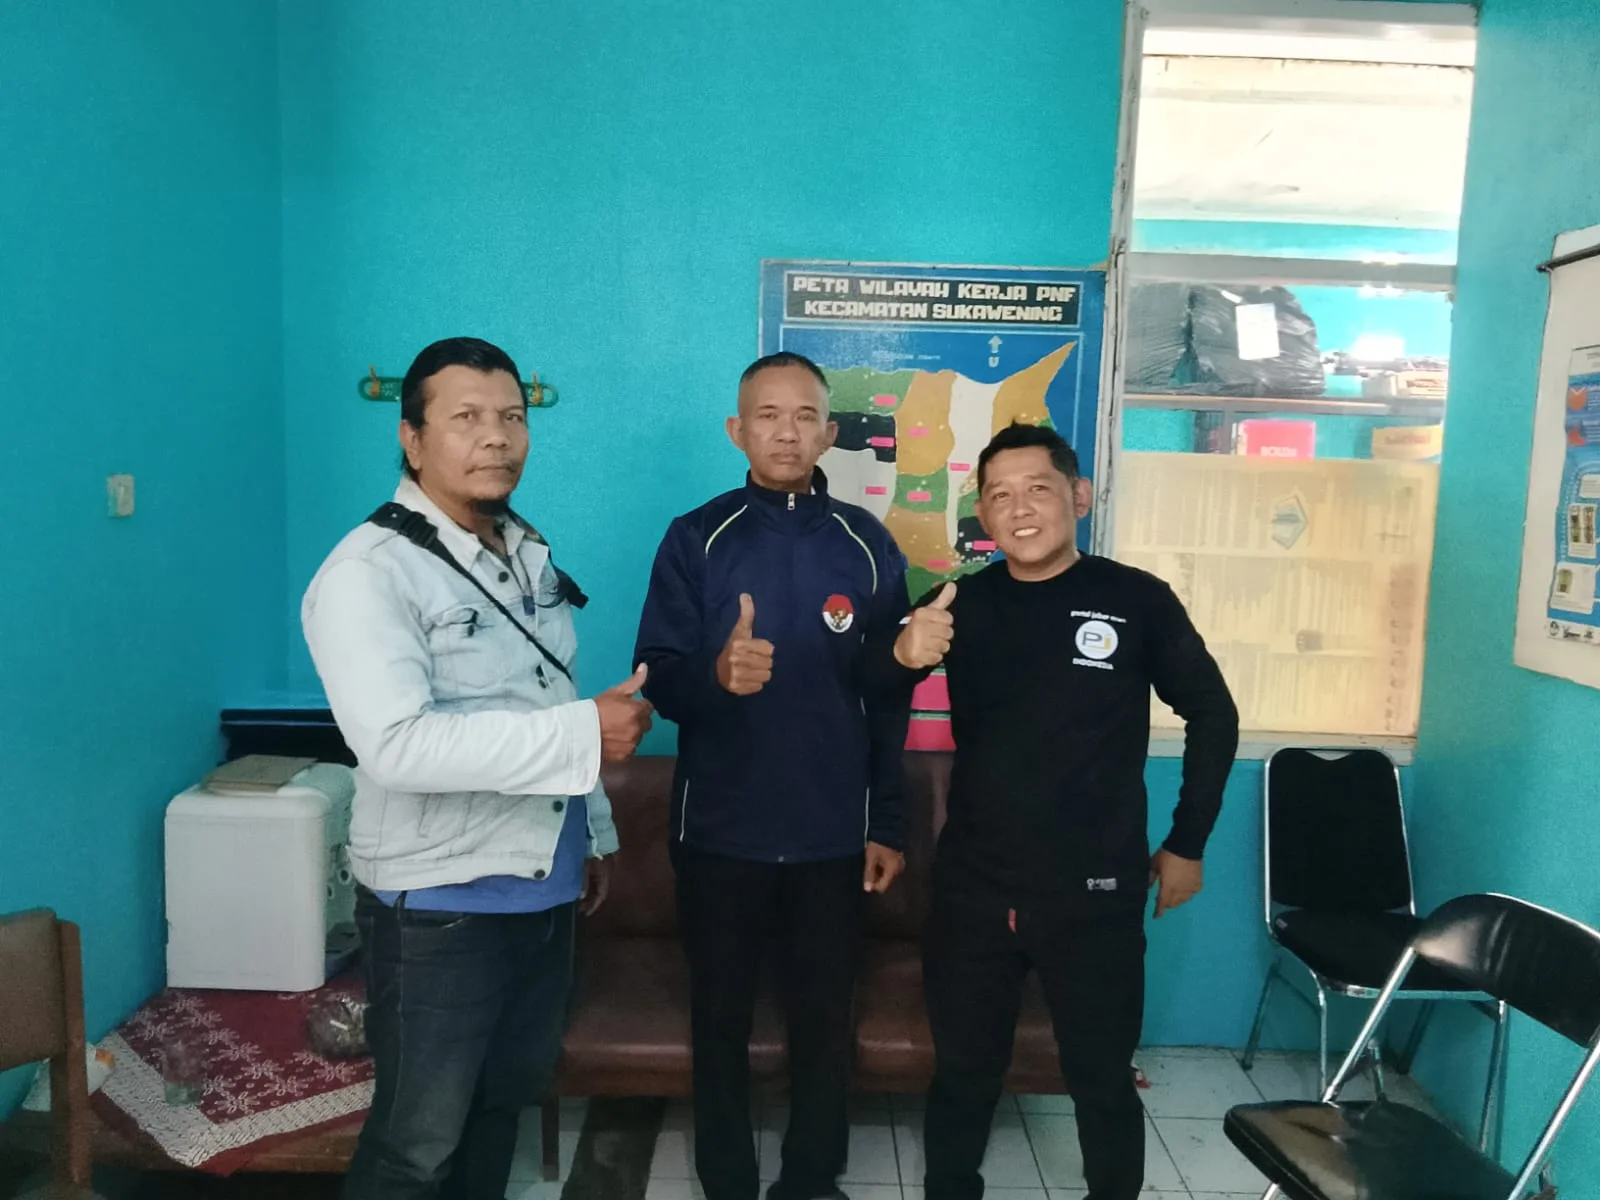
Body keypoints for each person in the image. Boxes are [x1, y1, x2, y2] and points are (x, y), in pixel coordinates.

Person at [302, 336, 653, 1200]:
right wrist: (585, 732)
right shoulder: (368, 574)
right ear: (412, 439)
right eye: (466, 417)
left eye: (512, 417)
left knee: (501, 1108)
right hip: (440, 908)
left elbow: (545, 690)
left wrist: (593, 835)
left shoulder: (523, 551)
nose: (496, 436)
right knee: (415, 1146)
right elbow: (398, 746)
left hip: (541, 887)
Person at [881, 422, 1239, 1200]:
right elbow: (868, 692)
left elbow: (1214, 714)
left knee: (1101, 1080)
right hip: (975, 889)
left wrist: (1188, 841)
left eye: (1037, 489)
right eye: (999, 495)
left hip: (1095, 892)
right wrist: (902, 655)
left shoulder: (1136, 600)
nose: (1019, 509)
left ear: (1077, 495)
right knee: (963, 1076)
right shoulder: (958, 601)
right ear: (982, 511)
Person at [633, 351, 912, 1200]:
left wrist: (887, 821)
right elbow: (656, 676)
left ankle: (810, 1181)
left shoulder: (868, 544)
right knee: (718, 1022)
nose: (786, 433)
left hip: (832, 836)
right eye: (767, 415)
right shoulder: (697, 536)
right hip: (719, 834)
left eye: (804, 416)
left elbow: (888, 693)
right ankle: (726, 1181)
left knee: (824, 1026)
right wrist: (715, 676)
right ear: (737, 430)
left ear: (829, 433)